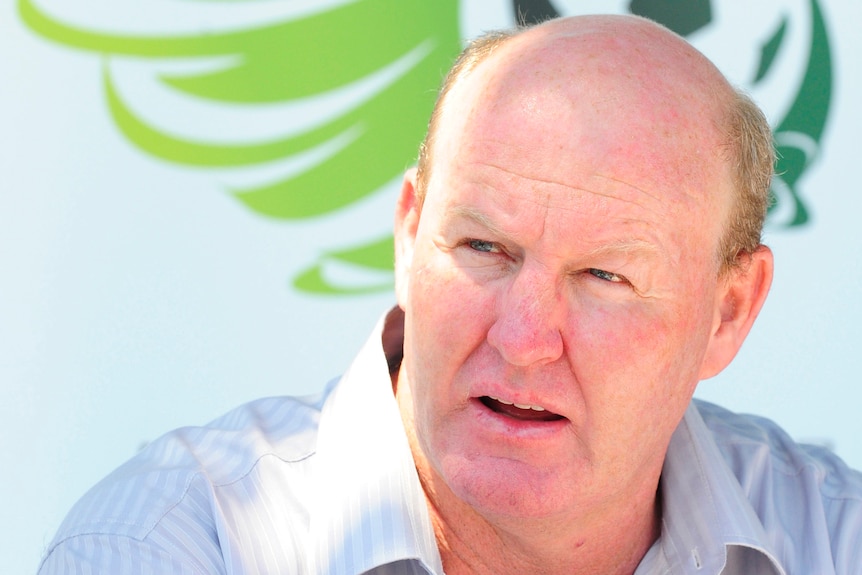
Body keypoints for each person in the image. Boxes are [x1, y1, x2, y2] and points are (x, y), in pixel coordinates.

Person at [40, 14, 862, 575]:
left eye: (605, 275)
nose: (524, 336)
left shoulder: (833, 537)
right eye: (485, 248)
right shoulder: (167, 545)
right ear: (407, 234)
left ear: (729, 313)